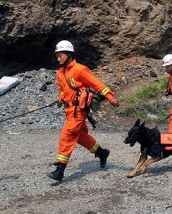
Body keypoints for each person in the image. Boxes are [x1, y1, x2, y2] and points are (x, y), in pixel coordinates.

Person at [47, 40, 120, 181]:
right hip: (68, 111)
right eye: (57, 55)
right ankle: (102, 152)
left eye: (60, 55)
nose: (58, 58)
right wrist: (61, 98)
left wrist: (110, 97)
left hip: (79, 110)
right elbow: (62, 90)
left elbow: (96, 84)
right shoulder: (60, 73)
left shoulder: (80, 69)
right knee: (79, 136)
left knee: (67, 135)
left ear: (69, 54)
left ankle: (60, 170)